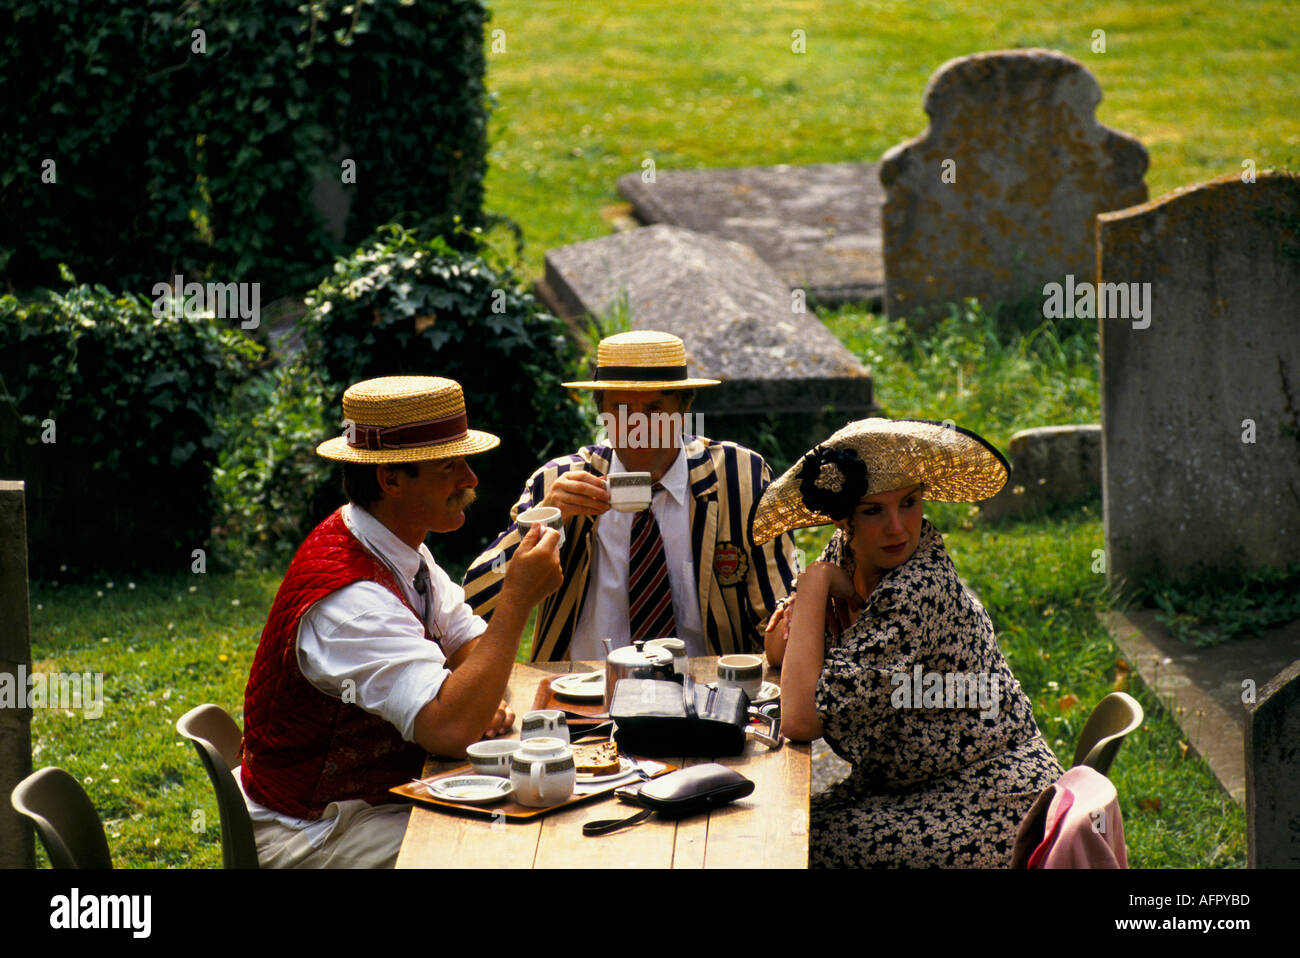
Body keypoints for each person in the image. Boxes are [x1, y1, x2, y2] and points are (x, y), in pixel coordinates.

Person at [238, 376, 562, 868]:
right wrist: (516, 601)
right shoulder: (353, 599)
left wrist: (474, 698)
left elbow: (470, 649)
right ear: (390, 479)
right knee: (506, 849)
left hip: (367, 806)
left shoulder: (395, 546)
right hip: (315, 831)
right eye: (449, 465)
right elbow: (450, 729)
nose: (472, 479)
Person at [752, 418, 1064, 867]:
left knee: (790, 844)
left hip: (995, 803)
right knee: (779, 826)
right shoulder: (848, 551)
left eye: (909, 503)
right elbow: (778, 650)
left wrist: (814, 583)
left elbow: (799, 719)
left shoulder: (917, 586)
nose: (897, 528)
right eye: (873, 511)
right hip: (915, 789)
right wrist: (812, 602)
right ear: (844, 520)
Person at [462, 330, 797, 662]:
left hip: (706, 695)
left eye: (653, 409)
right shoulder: (559, 481)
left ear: (684, 407)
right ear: (603, 414)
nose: (638, 425)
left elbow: (778, 609)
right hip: (582, 691)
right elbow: (472, 601)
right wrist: (544, 519)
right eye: (621, 409)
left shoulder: (740, 476)